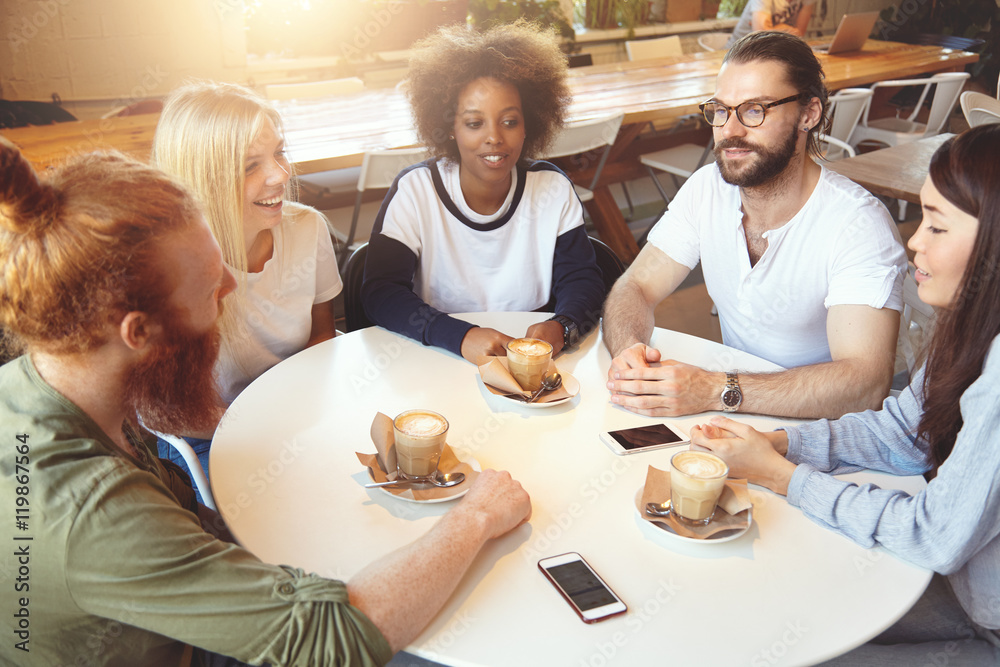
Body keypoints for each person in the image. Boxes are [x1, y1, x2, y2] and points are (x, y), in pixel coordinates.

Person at [0, 140, 532, 666]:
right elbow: (334, 641)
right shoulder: (97, 517)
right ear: (139, 332)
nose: (232, 284)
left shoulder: (53, 381)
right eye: (210, 289)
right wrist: (477, 516)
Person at [688, 125, 1000, 664]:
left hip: (982, 618)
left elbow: (936, 537)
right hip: (965, 584)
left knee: (794, 642)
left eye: (938, 227)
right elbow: (905, 428)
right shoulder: (971, 322)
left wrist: (781, 477)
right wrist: (782, 442)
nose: (914, 241)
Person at [602, 31, 906, 420]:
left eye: (755, 110)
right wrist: (630, 350)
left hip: (818, 433)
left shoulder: (858, 225)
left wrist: (714, 389)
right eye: (721, 110)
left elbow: (864, 384)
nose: (730, 130)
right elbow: (636, 286)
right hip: (732, 416)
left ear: (808, 114)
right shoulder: (706, 189)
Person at [361, 21, 606, 366]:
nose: (494, 138)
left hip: (532, 364)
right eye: (475, 123)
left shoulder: (551, 188)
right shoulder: (416, 191)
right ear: (450, 127)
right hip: (438, 357)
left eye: (509, 121)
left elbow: (583, 280)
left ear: (529, 125)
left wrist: (562, 325)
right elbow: (380, 293)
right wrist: (459, 336)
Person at [151, 82, 341, 485]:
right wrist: (267, 432)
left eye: (279, 153)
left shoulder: (308, 227)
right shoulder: (166, 269)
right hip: (210, 433)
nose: (280, 175)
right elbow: (162, 408)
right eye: (250, 165)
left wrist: (300, 420)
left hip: (296, 411)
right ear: (202, 179)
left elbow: (323, 332)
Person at [726, 0, 816, 47]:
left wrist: (771, 28)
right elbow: (760, 34)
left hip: (769, 50)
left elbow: (799, 32)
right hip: (737, 50)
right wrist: (788, 29)